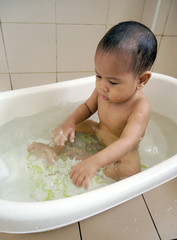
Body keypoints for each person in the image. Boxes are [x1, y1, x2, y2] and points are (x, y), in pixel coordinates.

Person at [28, 21, 157, 189]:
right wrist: (71, 121)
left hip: (122, 149)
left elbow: (127, 142)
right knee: (71, 129)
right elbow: (88, 107)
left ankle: (102, 167)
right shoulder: (104, 91)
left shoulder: (140, 107)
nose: (102, 85)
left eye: (112, 81)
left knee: (131, 170)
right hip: (98, 132)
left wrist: (95, 162)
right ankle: (53, 150)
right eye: (98, 76)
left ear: (141, 80)